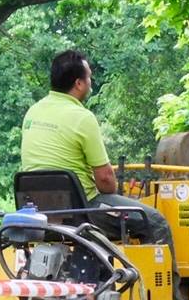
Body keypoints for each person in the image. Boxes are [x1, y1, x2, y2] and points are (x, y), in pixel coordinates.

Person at [19, 50, 170, 244]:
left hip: (39, 209)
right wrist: (114, 195)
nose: (91, 82)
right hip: (81, 210)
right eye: (89, 76)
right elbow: (106, 180)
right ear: (79, 83)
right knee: (155, 222)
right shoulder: (82, 117)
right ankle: (163, 276)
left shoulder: (33, 112)